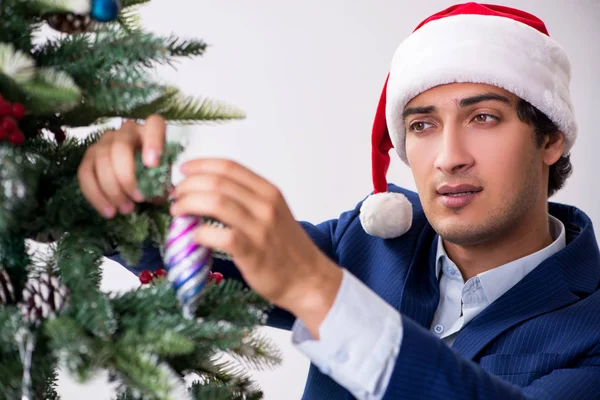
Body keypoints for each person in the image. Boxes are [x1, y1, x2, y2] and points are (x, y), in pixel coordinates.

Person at [77, 3, 600, 399]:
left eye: (483, 117)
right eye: (422, 125)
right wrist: (120, 196)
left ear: (551, 137)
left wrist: (317, 288)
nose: (448, 157)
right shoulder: (371, 242)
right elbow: (196, 255)